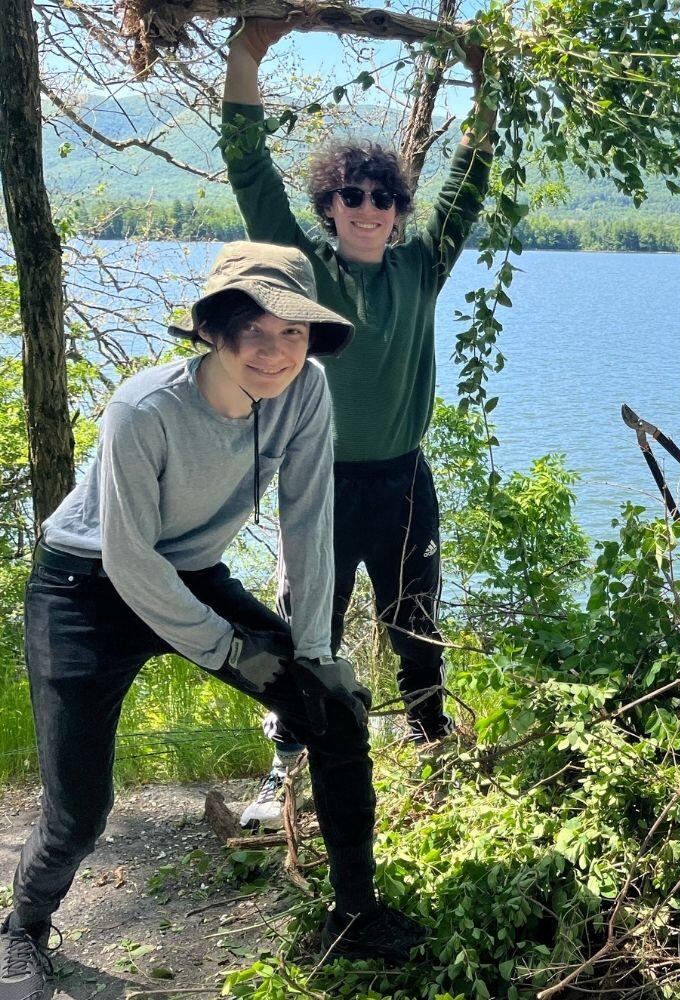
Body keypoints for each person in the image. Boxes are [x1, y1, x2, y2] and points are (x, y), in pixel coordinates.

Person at [0, 243, 425, 1000]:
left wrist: (316, 650)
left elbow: (309, 519)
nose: (274, 352)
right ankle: (22, 929)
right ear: (214, 332)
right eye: (254, 331)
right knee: (80, 807)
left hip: (191, 571)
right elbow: (129, 563)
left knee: (331, 711)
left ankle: (355, 915)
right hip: (85, 588)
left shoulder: (307, 392)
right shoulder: (144, 407)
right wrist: (234, 652)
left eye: (292, 333)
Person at [221, 19, 495, 827]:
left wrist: (485, 87)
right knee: (311, 629)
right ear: (329, 205)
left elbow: (471, 178)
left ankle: (431, 754)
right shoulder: (302, 273)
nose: (367, 208)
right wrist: (246, 55)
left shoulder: (422, 265)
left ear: (398, 209)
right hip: (320, 484)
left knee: (416, 625)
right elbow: (249, 170)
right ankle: (284, 773)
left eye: (382, 197)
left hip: (406, 480)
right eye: (351, 196)